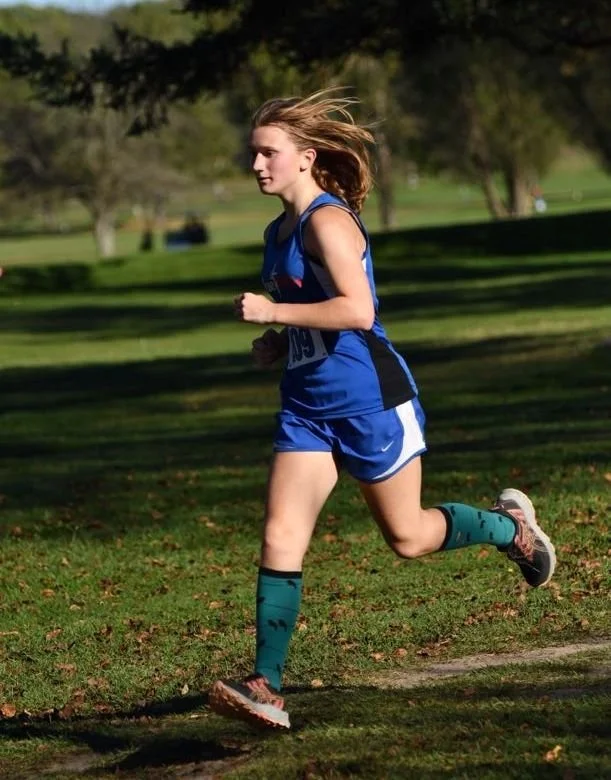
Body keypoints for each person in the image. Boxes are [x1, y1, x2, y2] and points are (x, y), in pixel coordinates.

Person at [208, 89, 556, 730]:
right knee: (281, 534)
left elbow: (359, 312)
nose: (256, 165)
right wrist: (279, 343)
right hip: (306, 407)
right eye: (252, 154)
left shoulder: (326, 220)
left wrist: (274, 311)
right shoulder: (276, 230)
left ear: (306, 156)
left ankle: (512, 529)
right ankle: (267, 684)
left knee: (408, 537)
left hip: (371, 400)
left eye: (268, 153)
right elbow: (319, 319)